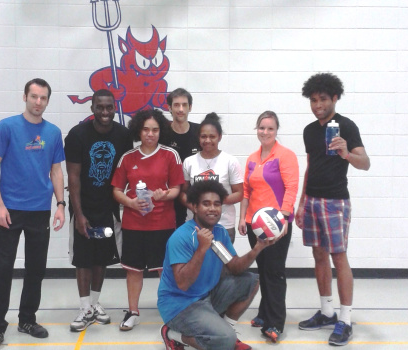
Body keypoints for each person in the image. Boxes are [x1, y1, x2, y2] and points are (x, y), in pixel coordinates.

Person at [0, 78, 66, 350]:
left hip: (39, 211)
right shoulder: (6, 127)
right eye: (34, 96)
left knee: (35, 271)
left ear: (47, 101)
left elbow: (56, 171)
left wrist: (61, 205)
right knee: (1, 271)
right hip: (8, 211)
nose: (38, 102)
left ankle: (27, 320)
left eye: (43, 98)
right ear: (25, 97)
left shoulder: (53, 132)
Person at [295, 73, 370, 346]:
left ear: (335, 98)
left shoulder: (347, 126)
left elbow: (366, 163)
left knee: (339, 257)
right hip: (312, 200)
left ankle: (345, 319)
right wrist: (302, 202)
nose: (318, 105)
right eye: (313, 100)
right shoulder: (309, 130)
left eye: (323, 99)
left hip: (336, 201)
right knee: (318, 255)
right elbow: (310, 167)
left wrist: (346, 153)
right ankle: (327, 311)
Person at [158, 181, 275, 350]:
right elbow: (183, 284)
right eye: (206, 204)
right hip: (179, 305)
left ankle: (228, 331)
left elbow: (234, 266)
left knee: (251, 281)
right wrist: (201, 249)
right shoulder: (181, 237)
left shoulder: (219, 232)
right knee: (224, 341)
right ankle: (172, 334)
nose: (212, 208)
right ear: (195, 207)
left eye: (217, 204)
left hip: (206, 296)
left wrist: (258, 248)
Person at [64, 89, 133, 332]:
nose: (105, 112)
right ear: (92, 108)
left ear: (114, 108)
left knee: (101, 256)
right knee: (83, 257)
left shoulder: (124, 135)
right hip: (84, 207)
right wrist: (78, 213)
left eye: (109, 107)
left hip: (109, 209)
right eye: (100, 107)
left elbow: (127, 171)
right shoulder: (77, 135)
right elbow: (73, 177)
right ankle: (84, 308)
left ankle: (94, 304)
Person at [111, 109, 185, 331]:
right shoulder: (128, 157)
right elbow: (116, 190)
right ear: (138, 131)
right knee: (133, 270)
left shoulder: (170, 155)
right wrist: (130, 203)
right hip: (133, 224)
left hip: (163, 224)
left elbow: (177, 188)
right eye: (146, 129)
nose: (150, 134)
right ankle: (133, 312)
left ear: (160, 131)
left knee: (165, 270)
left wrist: (165, 195)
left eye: (155, 129)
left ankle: (170, 313)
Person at [238, 111, 299, 342]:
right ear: (257, 129)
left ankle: (275, 323)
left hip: (276, 226)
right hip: (255, 225)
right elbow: (246, 190)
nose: (265, 132)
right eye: (261, 128)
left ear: (276, 131)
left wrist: (283, 219)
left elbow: (291, 188)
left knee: (274, 272)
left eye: (270, 128)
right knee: (262, 270)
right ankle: (264, 314)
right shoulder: (252, 157)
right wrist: (243, 218)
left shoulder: (286, 155)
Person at [181, 112, 243, 242]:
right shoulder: (189, 162)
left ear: (219, 137)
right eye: (203, 136)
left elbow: (239, 194)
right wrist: (196, 207)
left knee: (222, 263)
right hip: (195, 225)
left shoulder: (230, 161)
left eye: (212, 136)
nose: (207, 140)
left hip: (223, 225)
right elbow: (182, 193)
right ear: (198, 137)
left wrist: (214, 204)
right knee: (195, 262)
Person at [165, 88, 201, 227]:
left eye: (184, 105)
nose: (180, 109)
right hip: (169, 197)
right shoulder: (162, 134)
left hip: (193, 197)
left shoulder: (200, 132)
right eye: (176, 105)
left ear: (190, 107)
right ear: (169, 108)